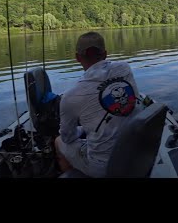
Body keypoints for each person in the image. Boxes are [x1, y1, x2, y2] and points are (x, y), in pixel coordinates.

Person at [54, 31, 141, 177]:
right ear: (105, 54)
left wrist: (82, 130)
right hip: (133, 156)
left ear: (77, 58)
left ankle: (72, 174)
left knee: (58, 141)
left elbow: (68, 138)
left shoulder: (70, 97)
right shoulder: (125, 68)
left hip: (103, 168)